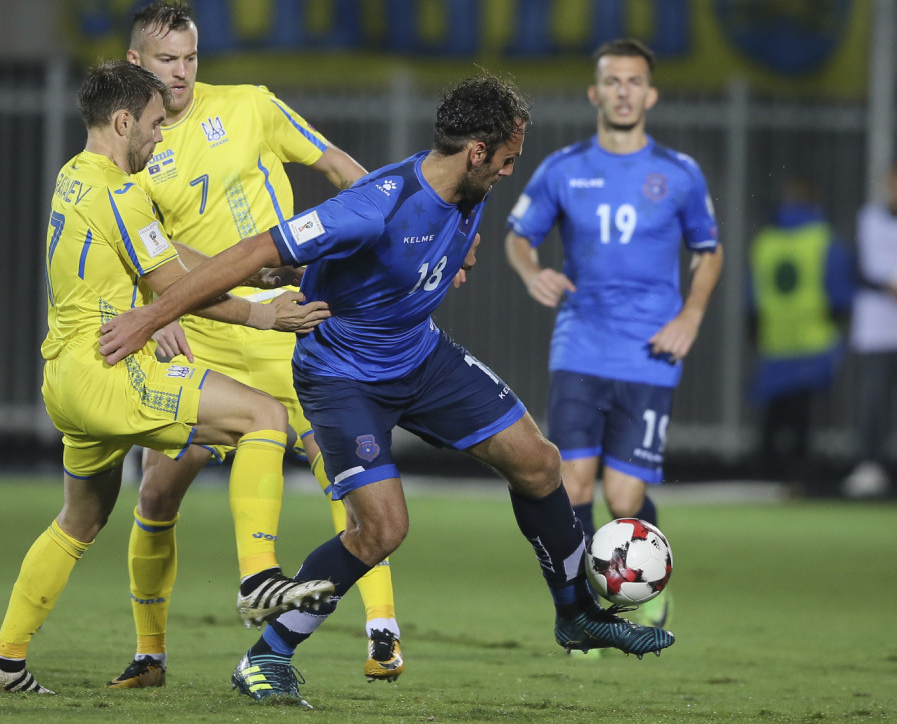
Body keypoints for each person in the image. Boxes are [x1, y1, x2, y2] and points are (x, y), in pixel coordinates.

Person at [99, 72, 675, 709]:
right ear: (476, 152)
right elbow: (252, 252)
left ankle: (576, 614)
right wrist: (152, 316)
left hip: (419, 354)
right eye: (508, 159)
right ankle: (266, 657)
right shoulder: (376, 204)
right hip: (343, 376)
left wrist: (456, 253)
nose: (512, 172)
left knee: (540, 462)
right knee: (381, 529)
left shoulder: (464, 185)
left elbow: (432, 238)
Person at [0, 60, 332, 695]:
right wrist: (261, 314)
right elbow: (173, 288)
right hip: (111, 372)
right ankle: (258, 579)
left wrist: (255, 272)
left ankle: (4, 662)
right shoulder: (123, 192)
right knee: (264, 417)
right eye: (154, 125)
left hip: (65, 378)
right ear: (121, 121)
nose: (161, 137)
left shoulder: (76, 178)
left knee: (79, 518)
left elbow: (160, 256)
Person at [108, 1, 404, 690]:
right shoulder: (131, 146)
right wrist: (162, 307)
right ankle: (150, 655)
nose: (181, 73)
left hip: (283, 322)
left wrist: (391, 227)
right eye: (167, 61)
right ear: (136, 66)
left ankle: (382, 630)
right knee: (156, 492)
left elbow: (334, 164)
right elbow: (143, 247)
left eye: (190, 58)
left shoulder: (250, 105)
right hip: (203, 334)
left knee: (343, 471)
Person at [504, 38, 723, 631]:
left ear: (649, 93)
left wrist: (691, 318)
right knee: (572, 484)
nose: (623, 91)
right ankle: (587, 612)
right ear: (594, 92)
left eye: (633, 81)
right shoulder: (564, 169)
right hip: (581, 345)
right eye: (612, 81)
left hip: (650, 352)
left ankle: (645, 596)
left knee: (624, 499)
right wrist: (532, 272)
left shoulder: (678, 174)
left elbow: (709, 252)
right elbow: (518, 237)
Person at [747, 176, 854, 484]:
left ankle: (763, 476)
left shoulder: (767, 240)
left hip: (774, 339)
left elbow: (753, 293)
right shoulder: (823, 239)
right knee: (802, 416)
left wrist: (755, 330)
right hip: (812, 339)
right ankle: (798, 479)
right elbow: (838, 292)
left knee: (773, 413)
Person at [842, 162, 897, 498]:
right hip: (877, 326)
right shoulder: (869, 219)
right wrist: (885, 286)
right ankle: (871, 465)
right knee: (874, 400)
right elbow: (856, 268)